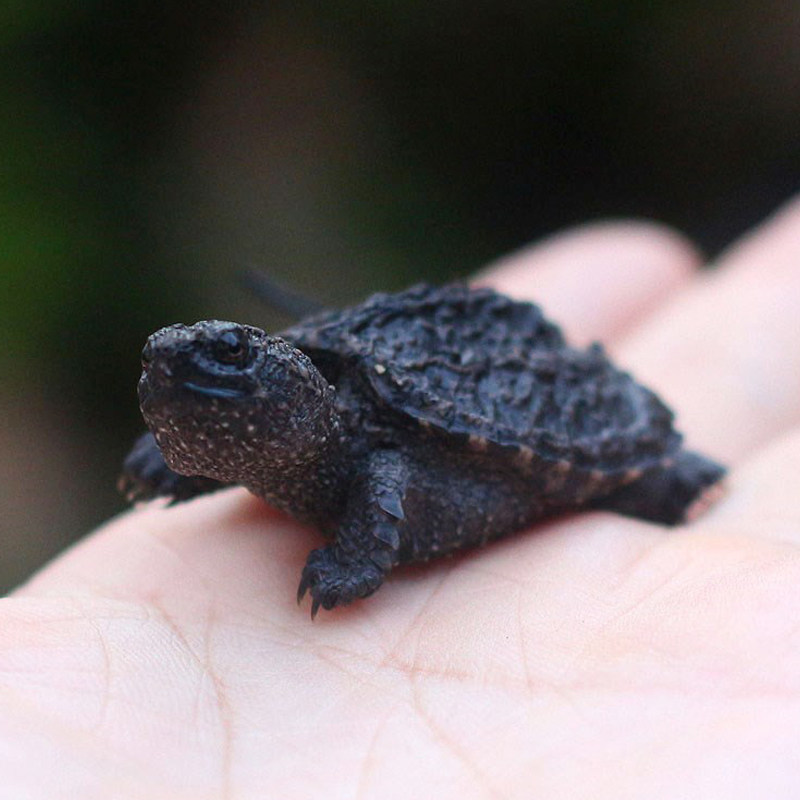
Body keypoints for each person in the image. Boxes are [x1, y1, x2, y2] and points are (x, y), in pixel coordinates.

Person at [3, 198, 800, 798]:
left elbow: (386, 473)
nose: (178, 362)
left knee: (649, 477)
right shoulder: (282, 432)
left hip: (488, 414)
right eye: (167, 371)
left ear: (294, 385)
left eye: (224, 356)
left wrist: (358, 551)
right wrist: (182, 457)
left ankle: (658, 465)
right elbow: (230, 427)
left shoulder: (365, 449)